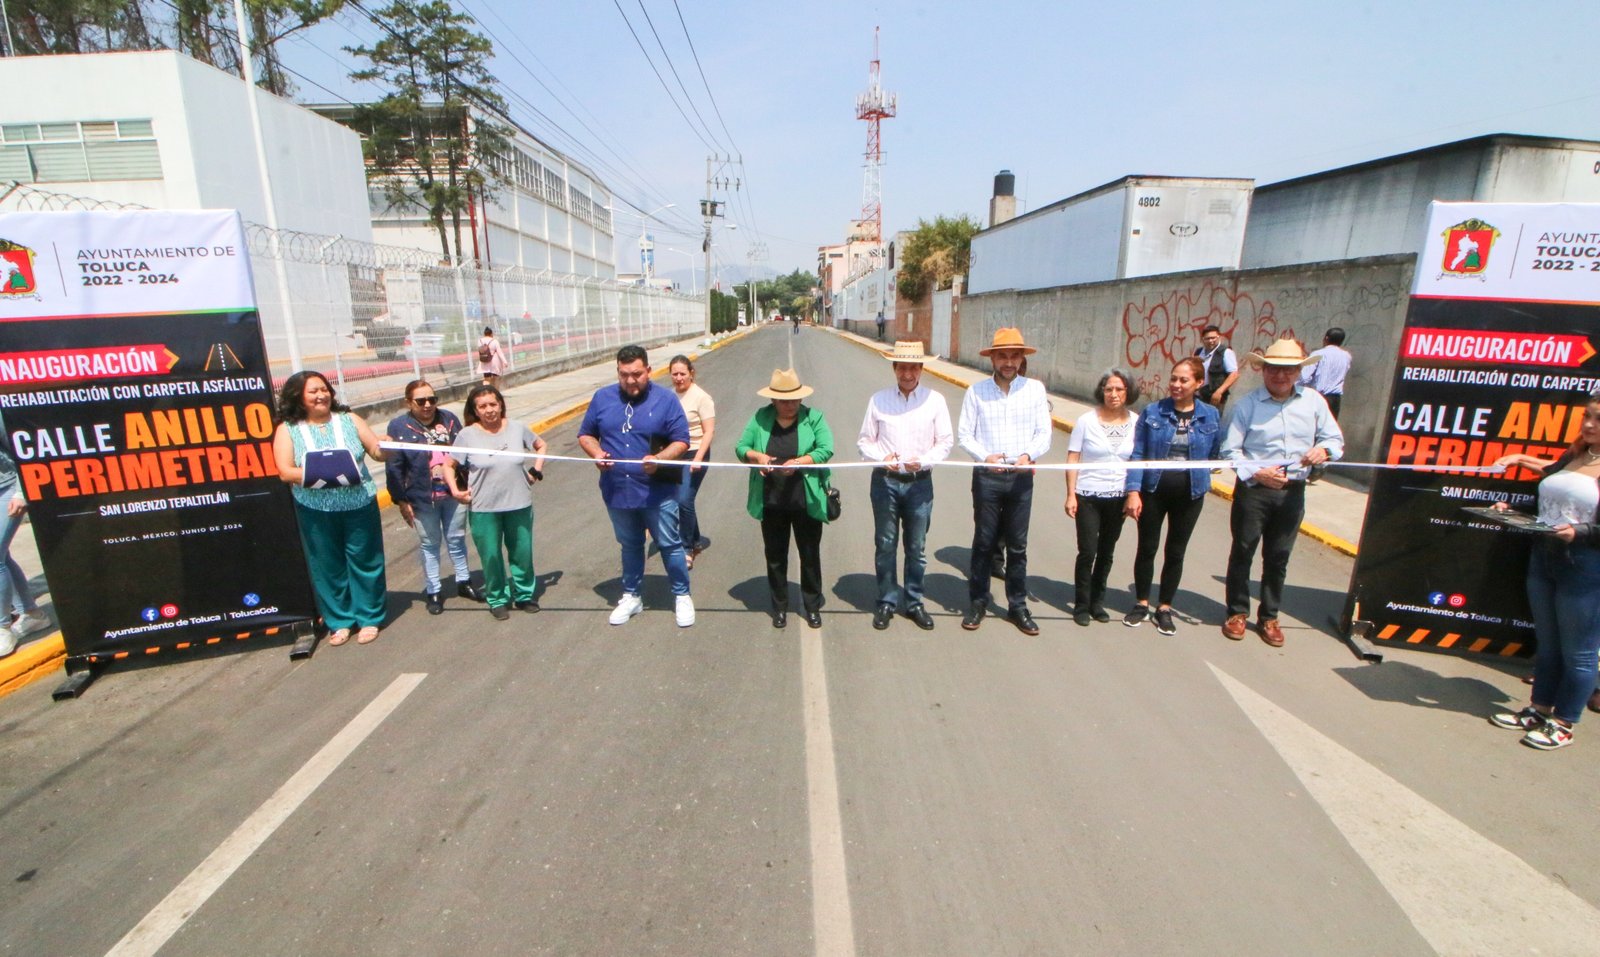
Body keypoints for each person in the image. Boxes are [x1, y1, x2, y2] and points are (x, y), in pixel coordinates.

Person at [1489, 392, 1600, 750]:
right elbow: (1548, 497)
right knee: (1549, 646)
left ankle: (1564, 722)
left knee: (1580, 651)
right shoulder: (1576, 454)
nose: (1588, 424)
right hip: (1544, 556)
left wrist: (1577, 532)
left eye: (1598, 419)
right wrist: (1512, 506)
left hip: (1585, 566)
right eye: (1587, 416)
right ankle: (1539, 710)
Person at [1220, 339, 1344, 647]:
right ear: (1263, 370)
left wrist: (1323, 451)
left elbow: (1335, 441)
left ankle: (1269, 616)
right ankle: (1237, 612)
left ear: (1299, 372)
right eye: (1275, 369)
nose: (1281, 376)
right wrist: (1256, 471)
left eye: (1289, 370)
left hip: (1292, 492)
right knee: (1243, 550)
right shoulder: (1247, 404)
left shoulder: (1314, 402)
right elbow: (1229, 451)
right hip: (1254, 491)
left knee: (1278, 557)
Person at [578, 345, 694, 628]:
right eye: (624, 374)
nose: (631, 381)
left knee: (669, 544)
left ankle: (681, 595)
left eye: (637, 374)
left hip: (658, 491)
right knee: (629, 545)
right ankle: (632, 595)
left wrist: (659, 458)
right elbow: (586, 434)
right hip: (617, 491)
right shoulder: (602, 398)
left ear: (649, 371)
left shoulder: (666, 400)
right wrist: (596, 453)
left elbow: (682, 440)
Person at [272, 371, 389, 646]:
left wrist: (388, 447)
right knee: (327, 566)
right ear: (298, 396)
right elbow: (285, 471)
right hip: (315, 508)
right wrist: (328, 473)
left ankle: (370, 617)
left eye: (324, 389)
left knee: (365, 560)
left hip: (358, 503)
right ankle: (341, 621)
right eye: (313, 391)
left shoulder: (349, 419)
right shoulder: (288, 429)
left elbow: (375, 450)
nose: (321, 395)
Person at [958, 328, 1052, 635]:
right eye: (1003, 356)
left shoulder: (1035, 390)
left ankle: (1017, 605)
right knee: (984, 542)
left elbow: (1044, 434)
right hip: (987, 478)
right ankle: (978, 602)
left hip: (1021, 479)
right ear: (993, 359)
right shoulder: (977, 392)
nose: (1009, 362)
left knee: (1018, 545)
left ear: (1022, 358)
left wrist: (1029, 454)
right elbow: (965, 435)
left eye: (1014, 356)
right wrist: (986, 456)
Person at [858, 341, 953, 631]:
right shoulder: (878, 400)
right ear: (894, 368)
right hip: (885, 483)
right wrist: (881, 457)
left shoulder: (935, 401)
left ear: (921, 369)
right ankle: (887, 600)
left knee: (917, 547)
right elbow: (864, 441)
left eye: (913, 367)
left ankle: (913, 602)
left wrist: (923, 461)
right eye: (902, 367)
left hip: (919, 485)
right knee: (885, 544)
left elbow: (945, 442)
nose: (908, 373)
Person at [1122, 358, 1221, 636]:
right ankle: (1141, 603)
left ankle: (1164, 607)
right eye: (1174, 379)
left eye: (1184, 380)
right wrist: (1133, 491)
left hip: (1190, 494)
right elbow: (1138, 454)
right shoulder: (1153, 412)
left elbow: (1215, 453)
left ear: (1198, 383)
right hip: (1153, 491)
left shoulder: (1211, 415)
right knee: (1147, 547)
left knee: (1176, 552)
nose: (1176, 385)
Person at [736, 368, 834, 629]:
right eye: (783, 400)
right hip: (772, 501)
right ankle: (779, 606)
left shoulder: (813, 418)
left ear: (801, 399)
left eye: (794, 400)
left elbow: (826, 448)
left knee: (810, 554)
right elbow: (741, 448)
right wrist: (758, 457)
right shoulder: (760, 418)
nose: (789, 405)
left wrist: (800, 462)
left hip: (806, 500)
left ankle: (812, 606)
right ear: (772, 400)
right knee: (776, 556)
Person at [386, 380, 484, 615]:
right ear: (408, 402)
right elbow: (394, 466)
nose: (428, 404)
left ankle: (463, 581)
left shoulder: (449, 419)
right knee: (430, 544)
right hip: (422, 498)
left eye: (432, 399)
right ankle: (434, 590)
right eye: (421, 401)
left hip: (453, 492)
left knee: (456, 539)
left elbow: (464, 452)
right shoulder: (399, 427)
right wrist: (401, 500)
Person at [450, 385, 546, 620]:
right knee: (491, 555)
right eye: (482, 406)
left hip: (519, 503)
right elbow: (448, 464)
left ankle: (524, 594)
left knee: (522, 552)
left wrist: (536, 470)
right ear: (475, 410)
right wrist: (455, 490)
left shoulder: (516, 428)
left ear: (501, 404)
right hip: (484, 507)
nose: (489, 410)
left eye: (493, 404)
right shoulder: (467, 435)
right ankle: (497, 598)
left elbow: (541, 445)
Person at [1065, 369, 1139, 627]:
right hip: (1088, 495)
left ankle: (1098, 602)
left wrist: (1133, 494)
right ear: (1101, 391)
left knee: (1107, 552)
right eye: (1109, 389)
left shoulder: (1136, 422)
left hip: (1118, 497)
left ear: (1128, 392)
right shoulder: (1086, 420)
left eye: (1119, 389)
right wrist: (1071, 494)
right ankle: (1081, 604)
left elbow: (1138, 461)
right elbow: (1073, 456)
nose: (1114, 394)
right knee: (1088, 551)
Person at [0, 423, 51, 658]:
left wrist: (22, 491)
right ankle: (32, 615)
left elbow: (21, 447)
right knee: (4, 556)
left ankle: (2, 628)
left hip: (9, 488)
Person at [669, 355, 715, 569]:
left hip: (696, 452)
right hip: (675, 454)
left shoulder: (701, 397)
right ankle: (696, 539)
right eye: (675, 374)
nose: (678, 378)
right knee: (680, 499)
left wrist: (697, 459)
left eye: (682, 374)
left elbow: (709, 431)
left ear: (691, 373)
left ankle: (686, 548)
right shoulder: (669, 397)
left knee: (684, 500)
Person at [1300, 327, 1352, 420]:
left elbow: (1304, 377)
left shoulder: (1318, 354)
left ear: (1326, 338)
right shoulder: (1346, 356)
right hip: (1335, 399)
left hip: (1318, 396)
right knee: (1329, 429)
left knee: (1311, 428)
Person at [1194, 325, 1240, 414]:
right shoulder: (1199, 352)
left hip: (1214, 397)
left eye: (1213, 338)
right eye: (1207, 339)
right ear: (1203, 339)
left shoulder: (1226, 352)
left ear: (1219, 337)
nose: (1211, 341)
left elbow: (1234, 374)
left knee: (1212, 422)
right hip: (1199, 394)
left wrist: (1219, 392)